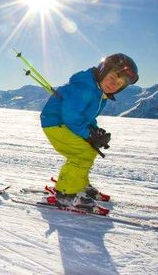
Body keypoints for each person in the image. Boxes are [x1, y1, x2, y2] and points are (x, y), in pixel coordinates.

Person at [40, 53, 139, 208]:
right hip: (56, 122)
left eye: (119, 83)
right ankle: (66, 193)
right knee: (82, 153)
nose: (114, 84)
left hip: (65, 122)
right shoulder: (84, 87)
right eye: (112, 77)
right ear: (103, 70)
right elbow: (71, 116)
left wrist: (95, 131)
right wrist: (88, 134)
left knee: (89, 149)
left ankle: (78, 183)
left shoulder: (100, 93)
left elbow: (87, 116)